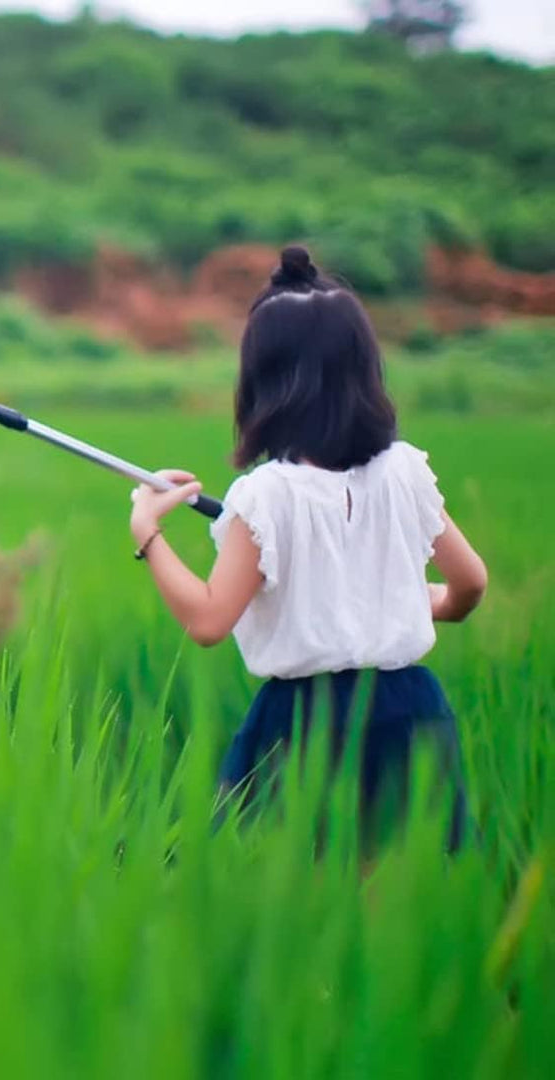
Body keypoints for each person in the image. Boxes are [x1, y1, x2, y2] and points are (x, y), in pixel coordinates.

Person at [128, 246, 487, 851]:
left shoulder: (265, 496)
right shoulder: (404, 471)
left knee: (296, 903)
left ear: (264, 379)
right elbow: (470, 582)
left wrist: (148, 534)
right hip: (410, 712)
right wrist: (425, 603)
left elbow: (211, 620)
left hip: (305, 722)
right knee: (398, 901)